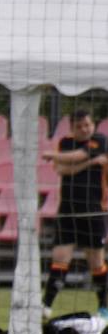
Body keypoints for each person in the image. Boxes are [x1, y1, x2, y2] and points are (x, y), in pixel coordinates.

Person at [41, 109, 108, 320]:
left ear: (93, 125)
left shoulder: (100, 141)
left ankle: (104, 307)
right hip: (67, 210)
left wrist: (53, 155)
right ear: (71, 128)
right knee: (60, 257)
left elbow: (77, 157)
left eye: (87, 125)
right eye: (79, 127)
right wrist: (88, 164)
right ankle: (46, 305)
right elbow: (62, 170)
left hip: (93, 210)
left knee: (96, 262)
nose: (84, 129)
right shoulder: (65, 143)